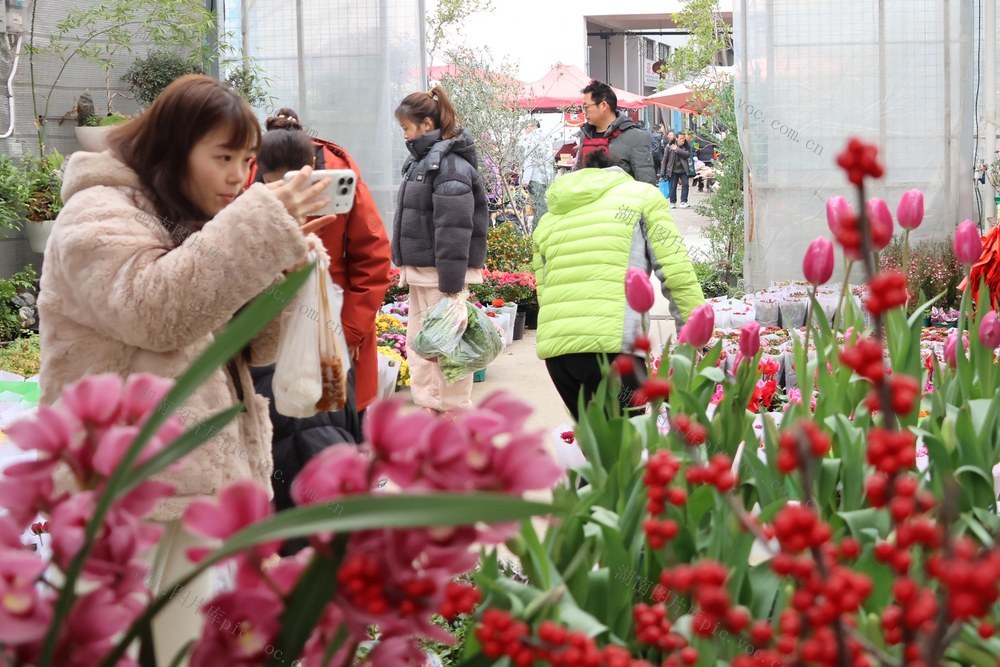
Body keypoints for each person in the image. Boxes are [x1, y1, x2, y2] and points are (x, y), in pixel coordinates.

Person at [37, 75, 332, 664]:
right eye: (222, 157)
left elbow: (256, 349)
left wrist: (284, 263)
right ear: (172, 150)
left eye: (247, 160)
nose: (237, 176)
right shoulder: (97, 213)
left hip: (201, 485)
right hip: (131, 494)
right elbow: (154, 312)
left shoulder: (188, 219)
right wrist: (257, 229)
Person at [532, 149, 705, 420]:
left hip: (560, 356)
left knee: (597, 452)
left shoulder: (550, 217)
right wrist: (696, 335)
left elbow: (544, 287)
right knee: (627, 451)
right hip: (615, 352)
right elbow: (676, 268)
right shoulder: (642, 197)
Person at [253, 107, 391, 435]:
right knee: (278, 421)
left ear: (312, 167)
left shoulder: (340, 171)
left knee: (335, 417)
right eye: (275, 186)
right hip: (268, 322)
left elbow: (373, 255)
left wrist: (350, 331)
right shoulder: (246, 171)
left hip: (336, 317)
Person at [392, 85, 488, 413]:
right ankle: (432, 411)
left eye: (406, 127)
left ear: (426, 126)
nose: (403, 134)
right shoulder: (425, 163)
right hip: (425, 273)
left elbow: (453, 231)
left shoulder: (449, 168)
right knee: (424, 347)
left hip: (440, 277)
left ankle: (450, 416)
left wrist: (450, 287)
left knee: (446, 351)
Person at [575, 79, 657, 185]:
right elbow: (578, 176)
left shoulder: (635, 137)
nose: (583, 112)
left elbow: (647, 185)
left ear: (603, 106)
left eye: (586, 107)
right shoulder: (585, 136)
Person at [519, 119, 552, 223]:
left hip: (535, 177)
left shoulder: (531, 140)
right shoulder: (547, 139)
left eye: (527, 127)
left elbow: (529, 161)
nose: (525, 129)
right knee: (542, 202)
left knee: (538, 205)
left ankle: (539, 226)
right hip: (545, 176)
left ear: (533, 127)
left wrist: (525, 180)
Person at [662, 132, 692, 208]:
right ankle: (672, 202)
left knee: (685, 184)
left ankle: (683, 201)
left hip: (683, 169)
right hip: (672, 169)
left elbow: (687, 155)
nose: (683, 140)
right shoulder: (669, 146)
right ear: (676, 138)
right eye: (681, 138)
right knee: (673, 186)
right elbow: (664, 160)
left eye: (683, 138)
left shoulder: (686, 146)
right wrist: (662, 171)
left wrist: (677, 149)